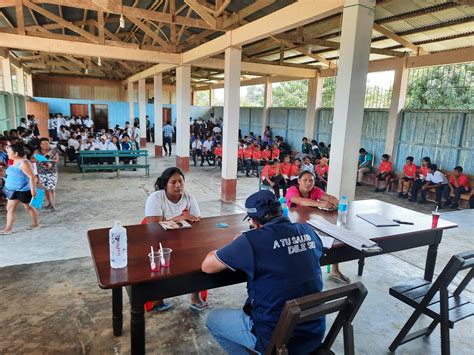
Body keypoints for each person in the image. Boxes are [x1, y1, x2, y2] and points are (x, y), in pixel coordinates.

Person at [202, 190, 325, 354]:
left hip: (276, 339)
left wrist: (238, 243)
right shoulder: (308, 231)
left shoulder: (250, 241)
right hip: (313, 332)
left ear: (254, 221)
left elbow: (207, 266)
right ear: (281, 210)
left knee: (213, 319)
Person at [145, 167, 206, 312]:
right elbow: (154, 225)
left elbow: (196, 220)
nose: (178, 185)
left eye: (181, 181)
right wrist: (181, 218)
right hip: (156, 237)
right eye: (173, 182)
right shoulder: (156, 198)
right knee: (159, 263)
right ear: (165, 184)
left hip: (181, 235)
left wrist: (184, 220)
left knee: (198, 257)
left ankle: (195, 297)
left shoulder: (189, 198)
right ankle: (157, 300)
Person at [286, 170, 350, 284]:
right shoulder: (292, 190)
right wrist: (320, 204)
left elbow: (329, 197)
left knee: (334, 237)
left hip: (314, 223)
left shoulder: (315, 190)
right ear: (299, 181)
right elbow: (299, 200)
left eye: (311, 180)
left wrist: (334, 202)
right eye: (305, 180)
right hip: (295, 226)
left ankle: (335, 270)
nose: (308, 183)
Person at [1, 143, 39, 234]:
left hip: (23, 190)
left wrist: (33, 191)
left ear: (16, 153)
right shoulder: (14, 160)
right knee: (10, 208)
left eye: (9, 152)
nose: (7, 154)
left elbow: (32, 177)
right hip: (12, 190)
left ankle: (36, 224)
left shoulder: (24, 162)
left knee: (28, 207)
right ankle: (8, 228)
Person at [34, 138, 59, 211]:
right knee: (46, 189)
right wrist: (40, 159)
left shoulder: (54, 151)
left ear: (49, 144)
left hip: (52, 172)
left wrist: (48, 160)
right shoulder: (37, 151)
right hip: (41, 172)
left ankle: (53, 205)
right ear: (40, 145)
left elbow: (57, 160)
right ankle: (49, 204)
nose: (45, 145)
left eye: (46, 143)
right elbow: (31, 159)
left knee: (51, 189)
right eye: (43, 144)